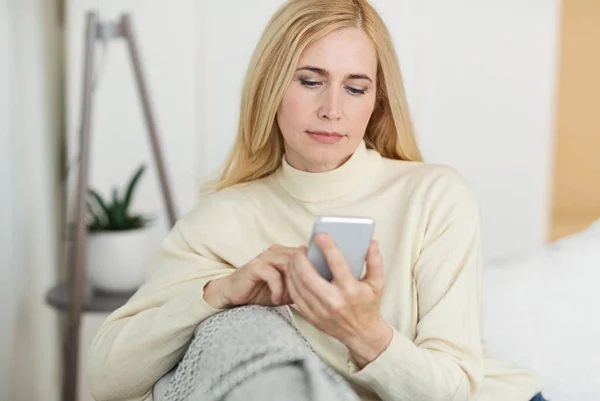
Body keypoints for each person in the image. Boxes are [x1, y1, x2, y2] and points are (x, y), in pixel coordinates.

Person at [87, 1, 547, 400]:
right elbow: (107, 378)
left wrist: (363, 333)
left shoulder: (434, 196)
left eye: (355, 87)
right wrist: (217, 294)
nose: (332, 108)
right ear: (270, 88)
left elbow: (456, 389)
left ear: (376, 102)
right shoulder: (221, 219)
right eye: (310, 81)